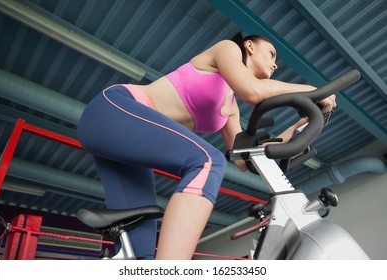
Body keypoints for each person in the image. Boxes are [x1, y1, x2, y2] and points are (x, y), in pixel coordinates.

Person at [77, 33, 336, 260]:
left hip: (124, 147)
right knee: (207, 162)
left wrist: (296, 128)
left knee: (138, 253)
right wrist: (314, 91)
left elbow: (241, 159)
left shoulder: (230, 108)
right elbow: (253, 92)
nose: (275, 63)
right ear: (249, 46)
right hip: (112, 111)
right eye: (271, 53)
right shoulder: (227, 49)